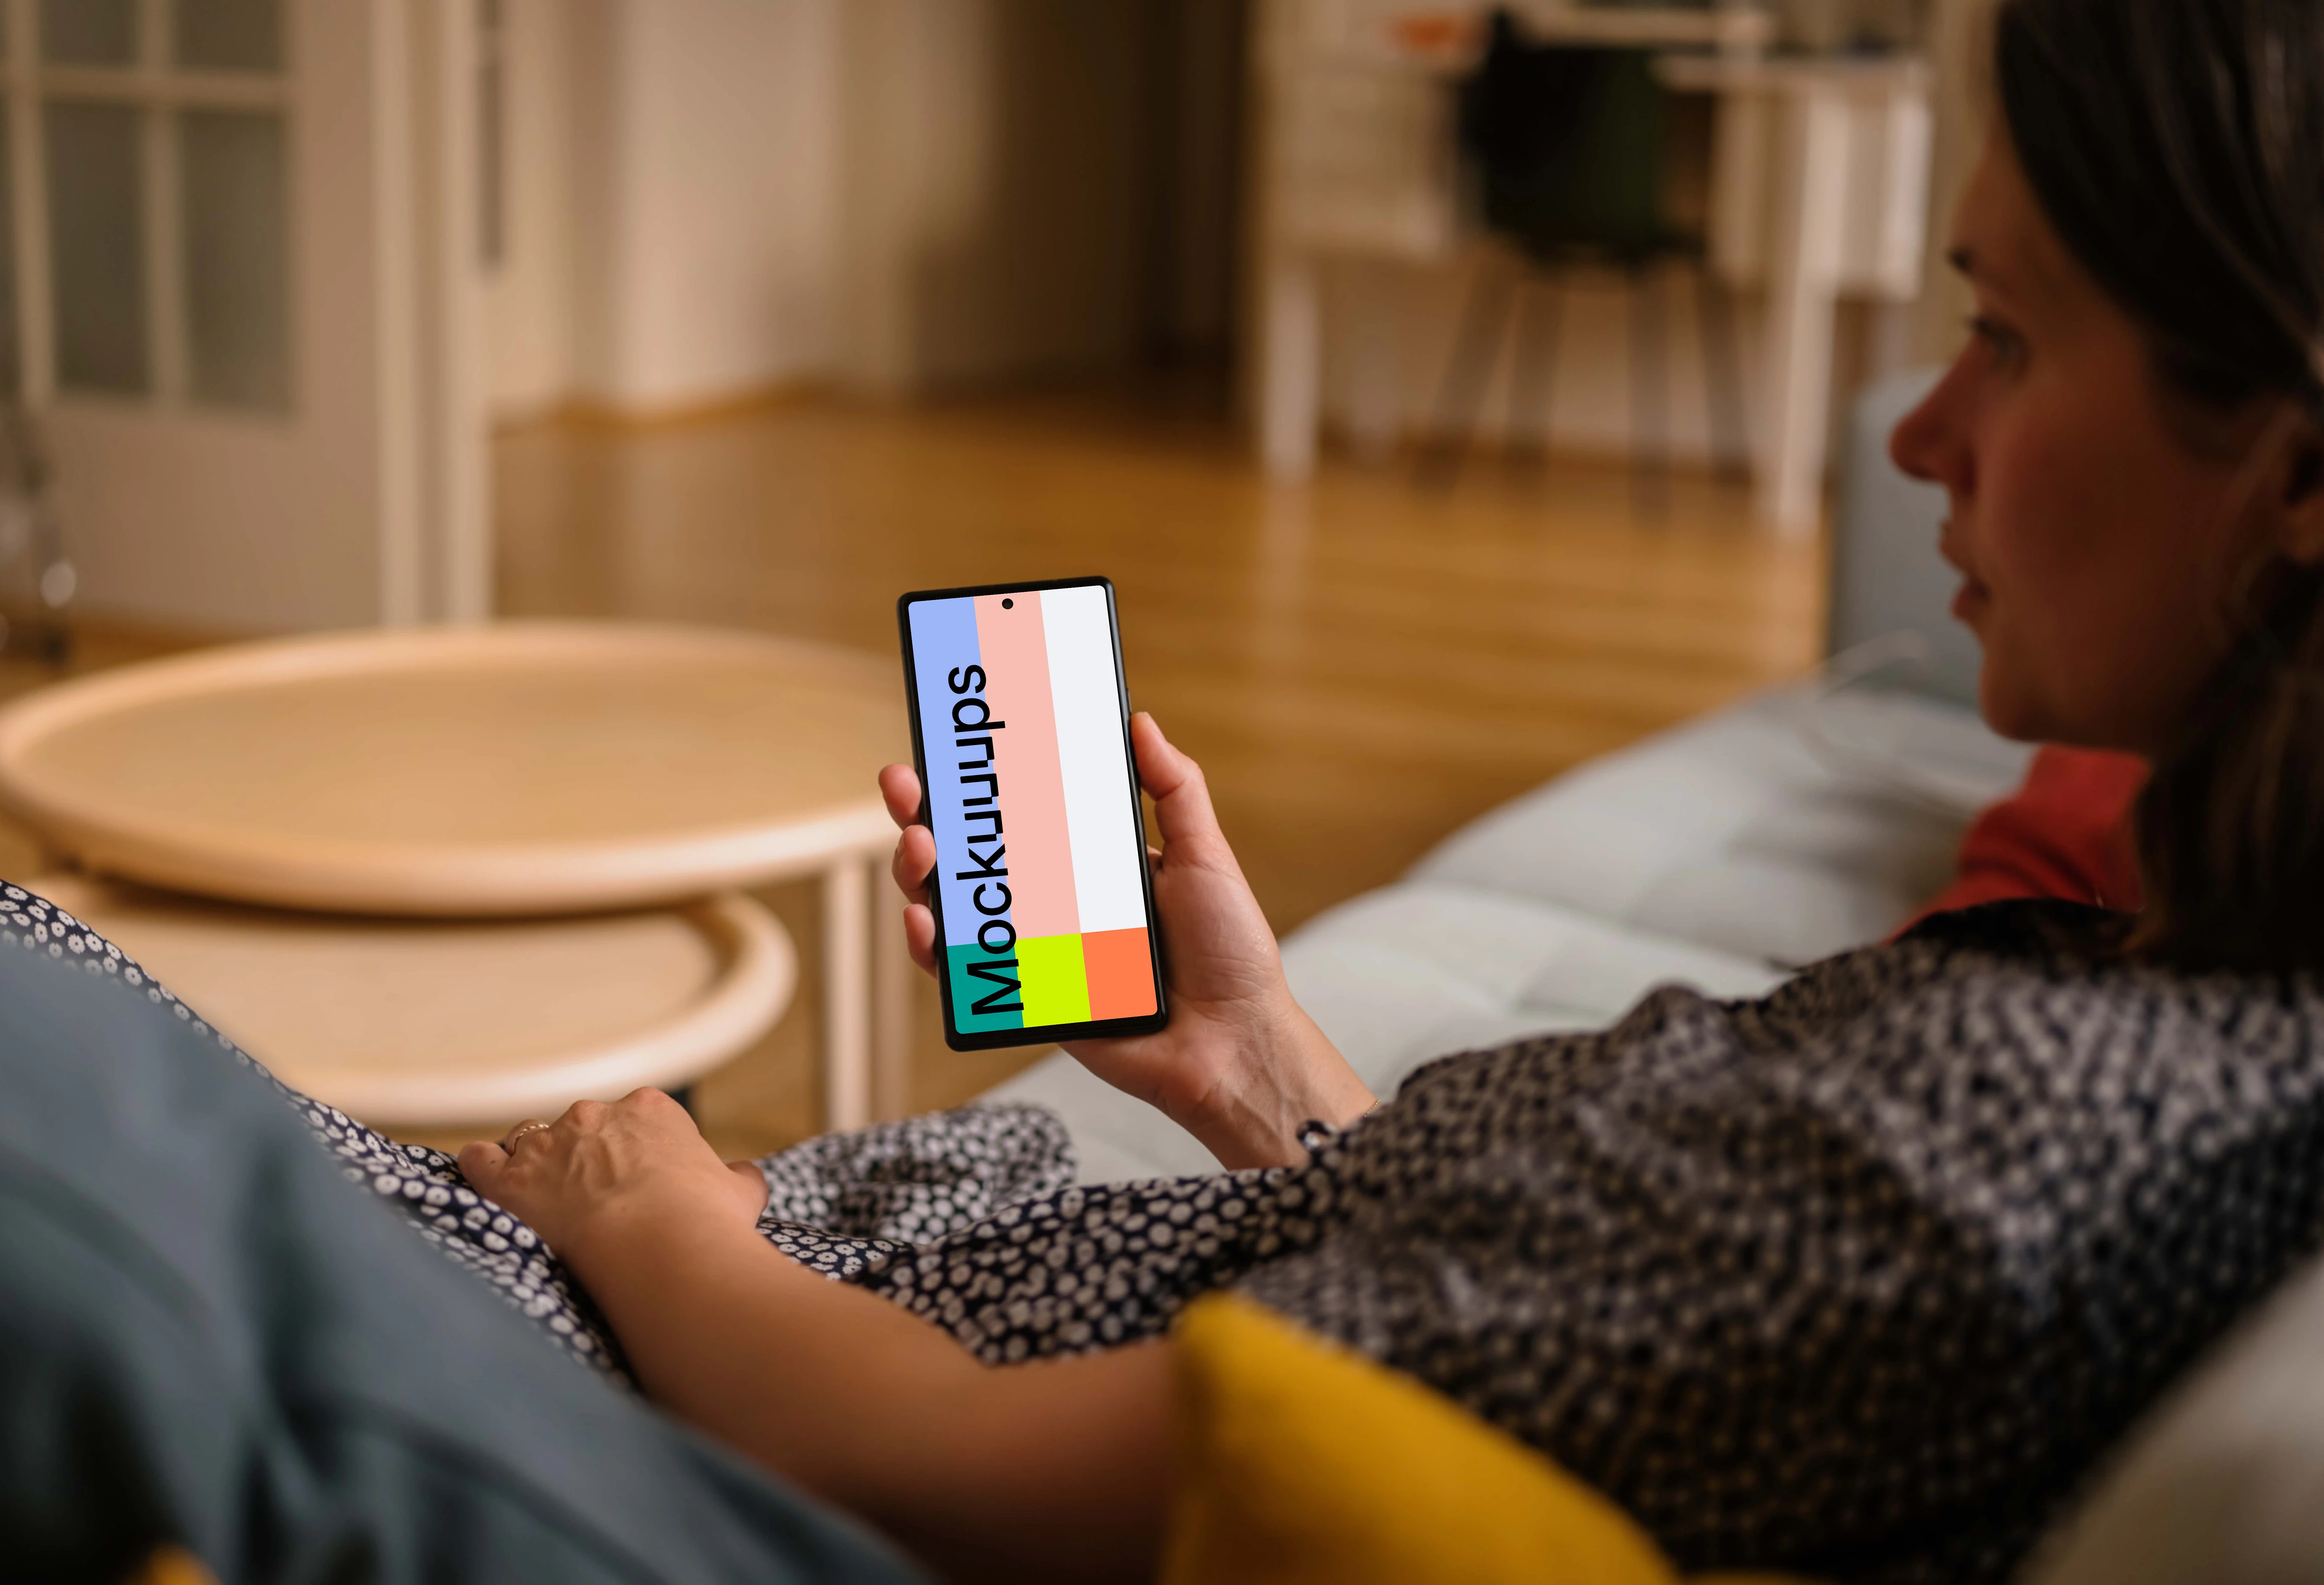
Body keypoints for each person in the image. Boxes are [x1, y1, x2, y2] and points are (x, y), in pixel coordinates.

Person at [450, 1, 2324, 1581]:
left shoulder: (1997, 1155)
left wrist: (645, 1199)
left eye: (2002, 333)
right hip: (925, 1281)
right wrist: (1259, 1059)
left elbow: (930, 1468)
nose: (1917, 434)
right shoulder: (2183, 1008)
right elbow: (1562, 1337)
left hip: (712, 1415)